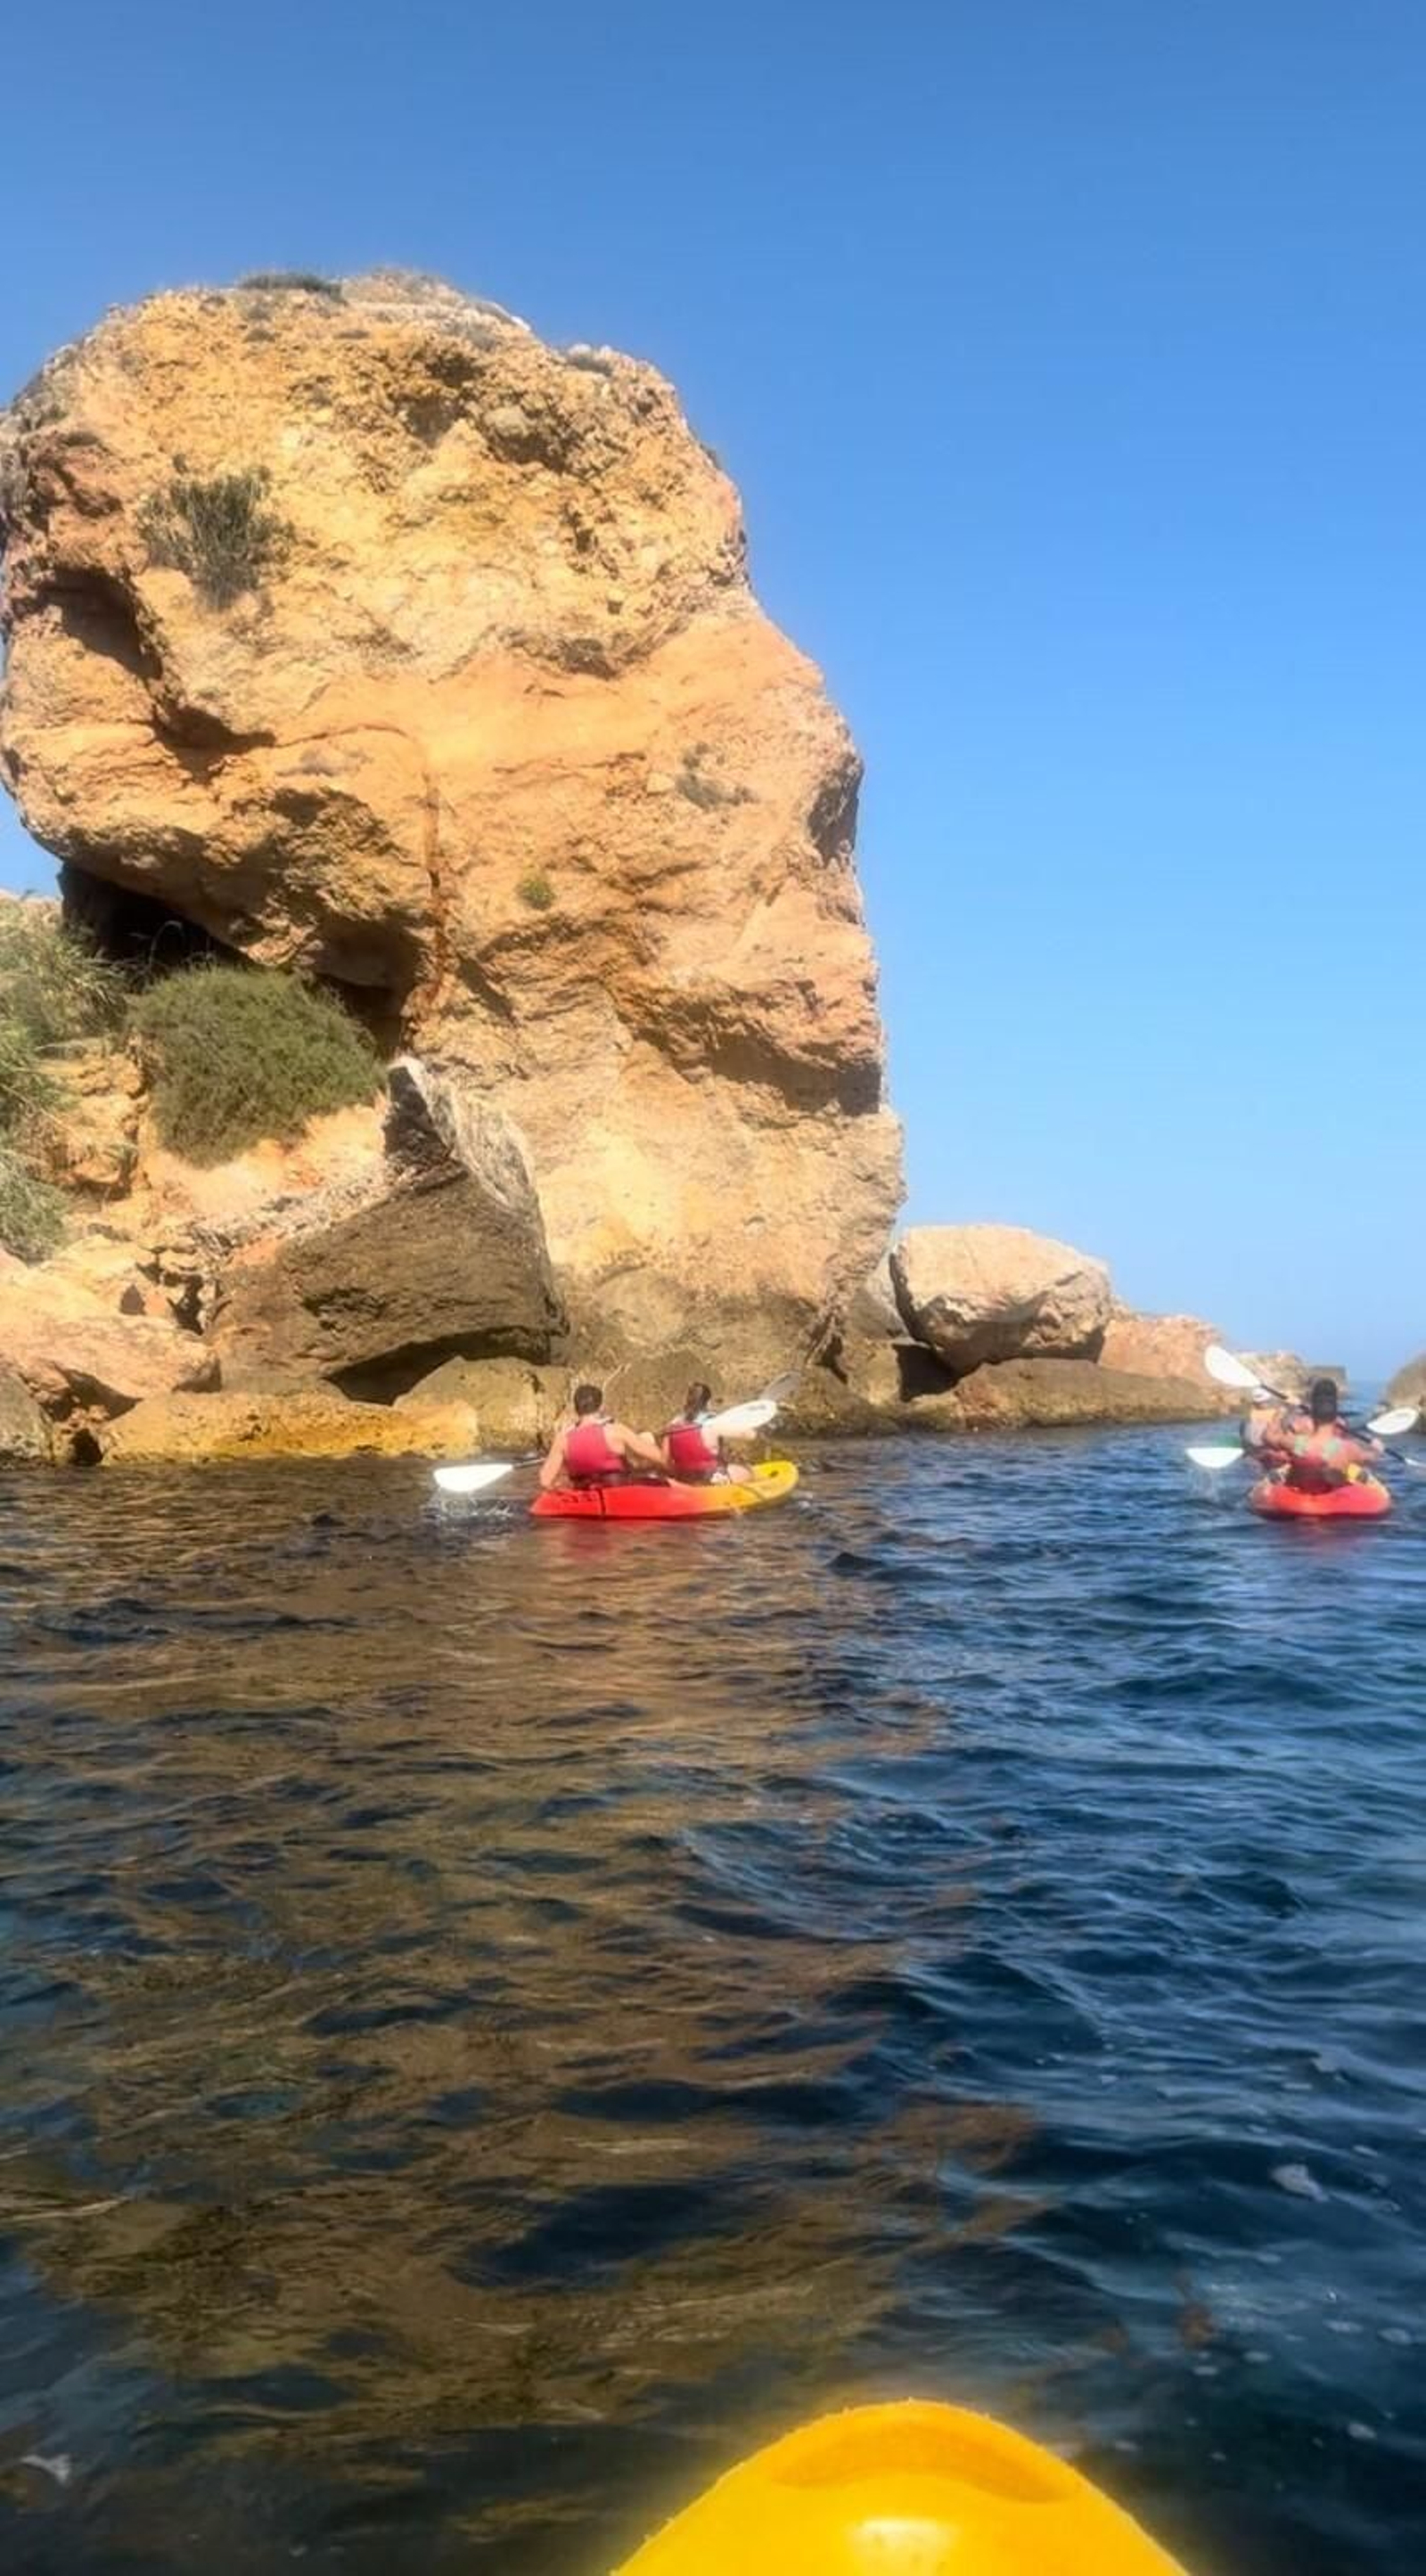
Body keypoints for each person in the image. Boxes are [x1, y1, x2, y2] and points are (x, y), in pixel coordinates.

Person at [1258, 1377, 1382, 1493]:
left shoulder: (1298, 1444)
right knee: (1332, 1453)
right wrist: (1377, 1449)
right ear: (1335, 1416)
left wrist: (1282, 1410)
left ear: (1313, 1416)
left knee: (1306, 1454)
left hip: (1300, 1495)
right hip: (1334, 1501)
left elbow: (1267, 1437)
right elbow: (1371, 1458)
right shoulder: (1348, 1448)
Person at [538, 1384, 666, 1492]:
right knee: (647, 1437)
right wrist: (677, 1472)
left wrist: (560, 1487)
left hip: (583, 1491)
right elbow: (659, 1457)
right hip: (617, 1489)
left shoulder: (562, 1439)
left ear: (576, 1409)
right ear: (600, 1407)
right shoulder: (615, 1430)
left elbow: (545, 1481)